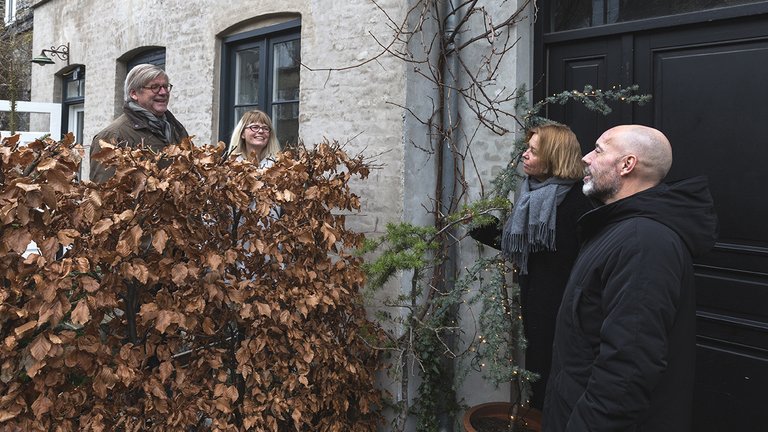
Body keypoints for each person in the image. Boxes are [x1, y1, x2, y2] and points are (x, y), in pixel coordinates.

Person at [542, 125, 718, 432]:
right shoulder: (616, 229)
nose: (585, 158)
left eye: (598, 150)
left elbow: (626, 373)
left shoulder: (644, 242)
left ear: (627, 165)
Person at [469, 123, 593, 409]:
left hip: (566, 314)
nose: (524, 155)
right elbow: (528, 244)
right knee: (537, 380)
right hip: (535, 305)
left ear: (553, 158)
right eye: (527, 148)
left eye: (533, 151)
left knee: (558, 385)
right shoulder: (530, 193)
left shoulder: (580, 204)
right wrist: (486, 231)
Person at [90, 63, 188, 182]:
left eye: (165, 86)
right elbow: (106, 193)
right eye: (155, 87)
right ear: (134, 94)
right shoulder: (113, 137)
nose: (163, 92)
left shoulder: (176, 129)